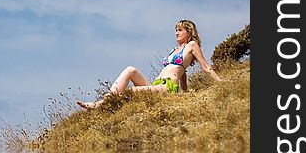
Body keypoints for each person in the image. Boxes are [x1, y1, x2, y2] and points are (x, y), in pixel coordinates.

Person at [76, 19, 222, 109]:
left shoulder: (192, 45)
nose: (176, 33)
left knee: (132, 91)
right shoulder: (173, 51)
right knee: (130, 70)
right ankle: (103, 102)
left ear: (189, 32)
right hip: (156, 84)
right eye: (176, 30)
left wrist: (222, 83)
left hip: (168, 87)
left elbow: (206, 67)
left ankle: (101, 107)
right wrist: (185, 92)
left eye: (180, 30)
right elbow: (182, 73)